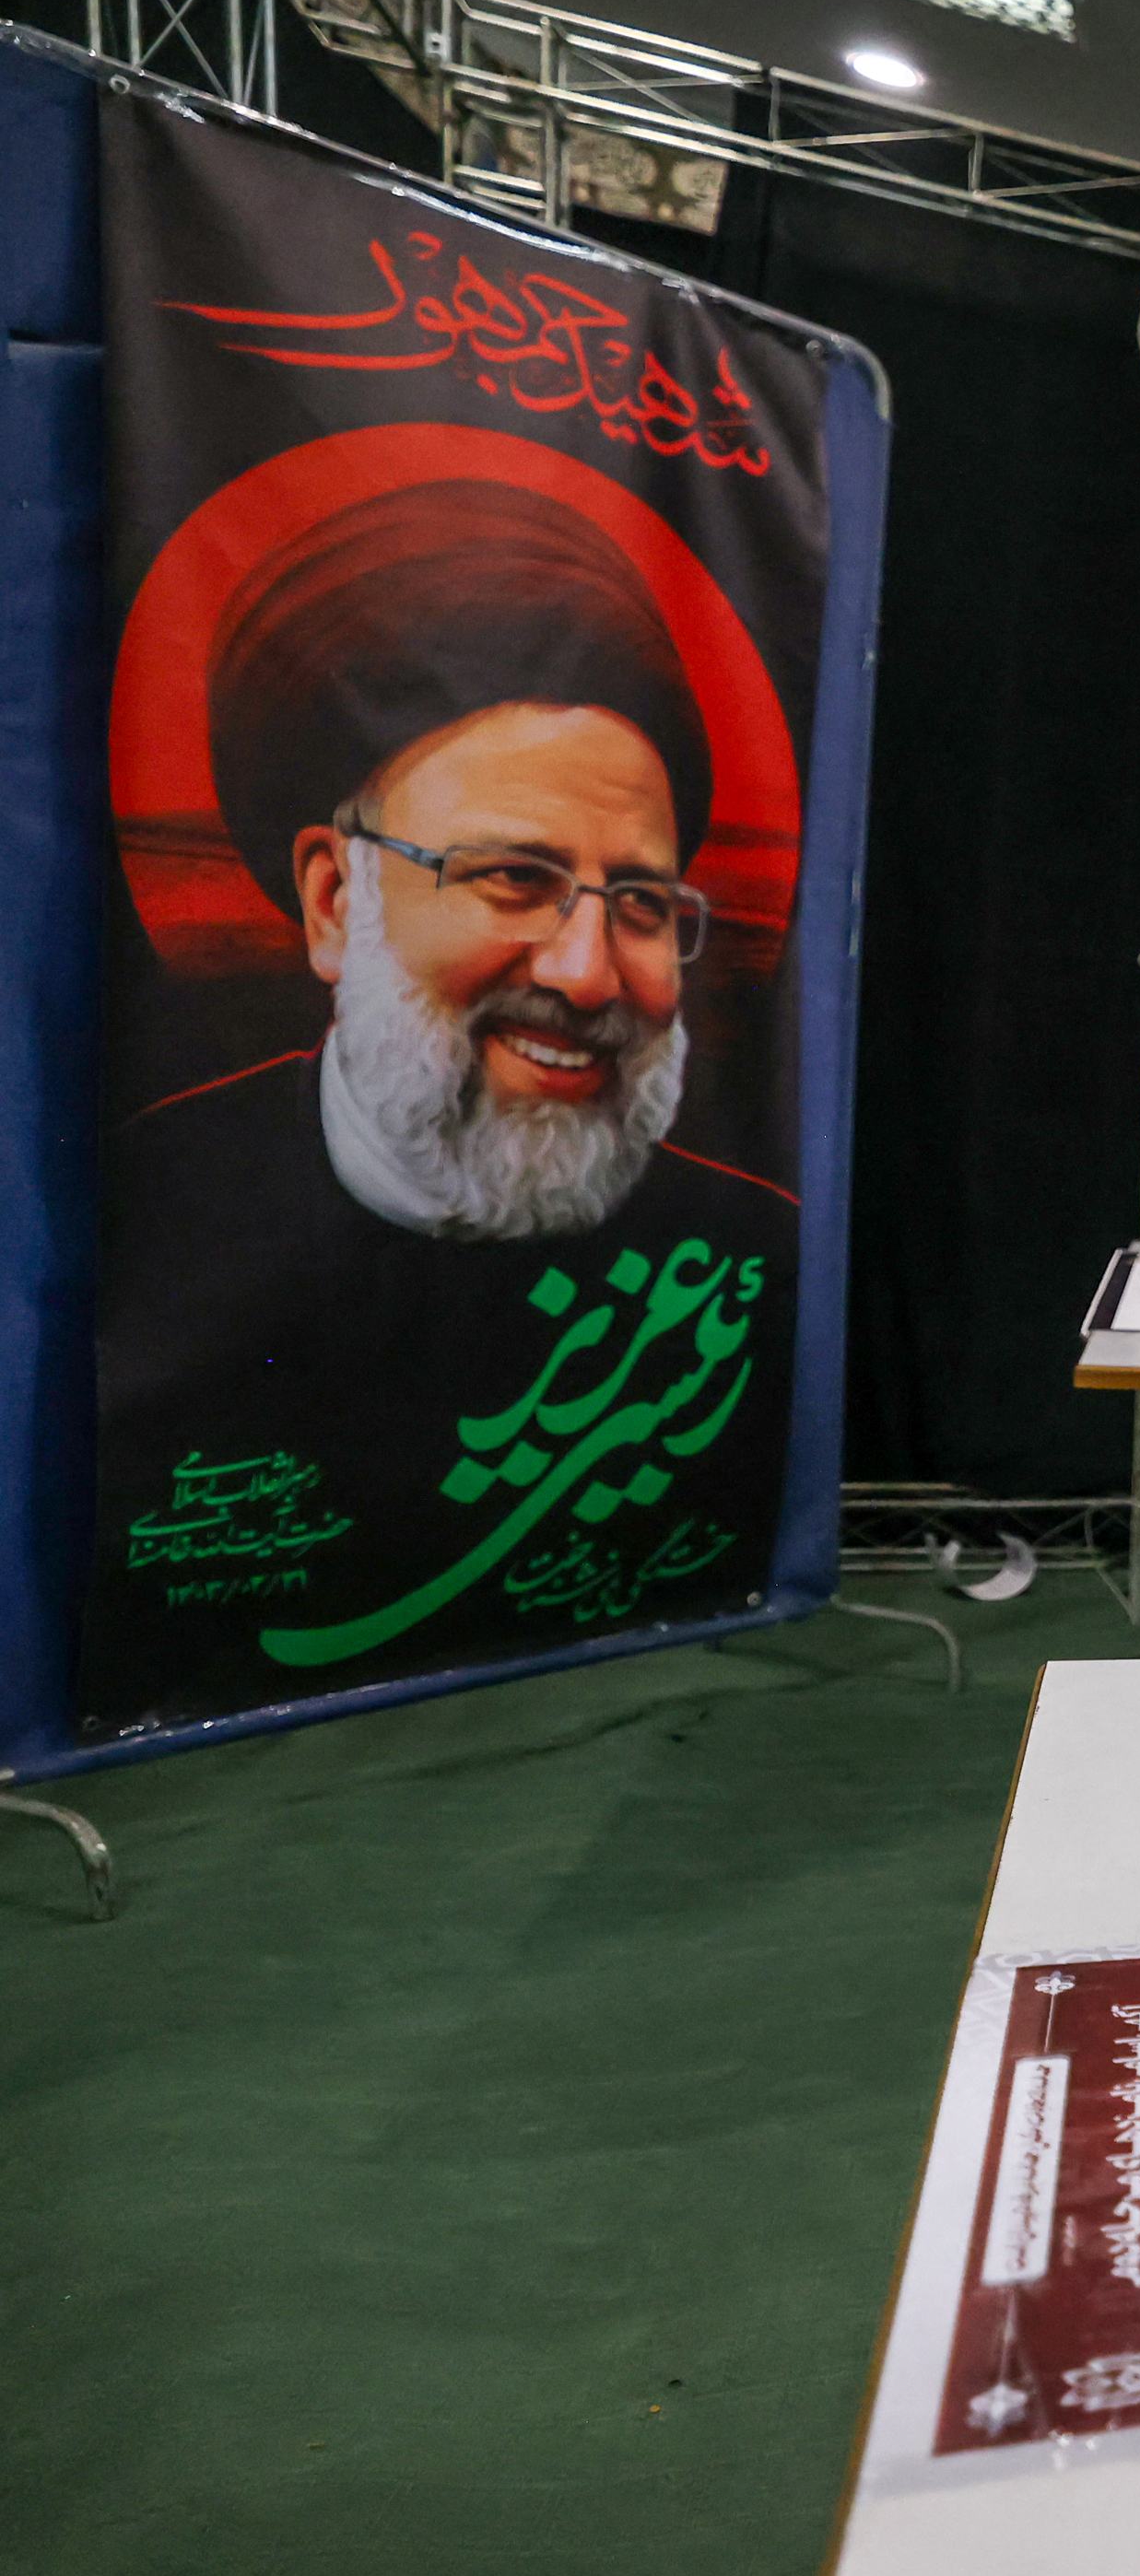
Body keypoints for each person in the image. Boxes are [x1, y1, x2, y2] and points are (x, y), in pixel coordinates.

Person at [82, 475, 795, 1727]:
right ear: (333, 901)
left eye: (640, 904)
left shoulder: (749, 1259)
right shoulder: (131, 1219)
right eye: (514, 877)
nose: (588, 972)